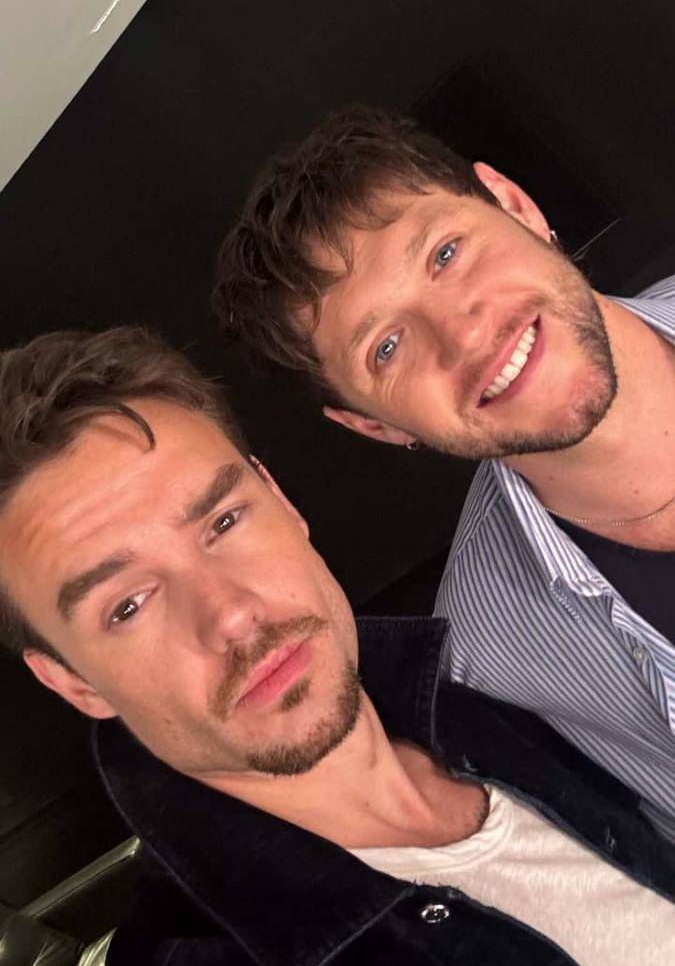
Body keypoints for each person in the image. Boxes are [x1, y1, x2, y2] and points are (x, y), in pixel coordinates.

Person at [1, 328, 674, 966]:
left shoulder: (489, 686)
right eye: (128, 606)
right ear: (74, 682)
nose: (230, 614)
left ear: (281, 502)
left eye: (224, 522)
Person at [214, 103, 675, 842]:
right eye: (386, 348)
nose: (462, 336)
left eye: (446, 254)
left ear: (516, 206)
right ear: (375, 425)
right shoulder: (483, 645)